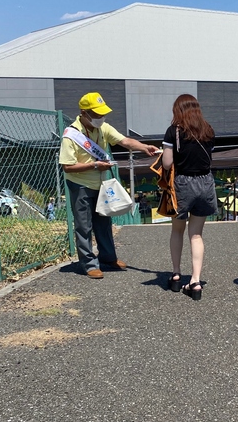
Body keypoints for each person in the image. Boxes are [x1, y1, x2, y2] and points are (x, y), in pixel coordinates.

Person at [59, 92, 157, 279]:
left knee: (104, 222)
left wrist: (144, 147)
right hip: (80, 185)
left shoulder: (103, 127)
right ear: (84, 113)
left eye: (102, 114)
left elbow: (124, 141)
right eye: (96, 114)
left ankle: (108, 257)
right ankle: (88, 264)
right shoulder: (70, 135)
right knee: (84, 226)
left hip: (101, 184)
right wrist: (94, 165)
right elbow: (67, 166)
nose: (100, 118)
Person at [162, 94, 217, 301]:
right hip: (205, 182)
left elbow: (167, 163)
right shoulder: (208, 130)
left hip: (182, 184)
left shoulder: (173, 132)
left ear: (178, 110)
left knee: (177, 231)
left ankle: (176, 275)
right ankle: (195, 281)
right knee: (196, 235)